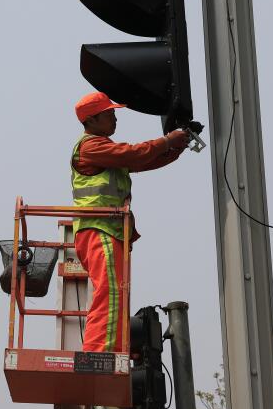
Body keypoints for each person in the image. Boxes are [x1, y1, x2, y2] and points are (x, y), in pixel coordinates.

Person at [71, 91, 191, 352]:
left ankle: (107, 350)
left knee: (116, 292)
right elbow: (133, 154)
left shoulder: (106, 152)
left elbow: (141, 160)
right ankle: (98, 353)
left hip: (108, 229)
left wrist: (175, 148)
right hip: (98, 227)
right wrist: (167, 141)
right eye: (110, 114)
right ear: (91, 121)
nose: (115, 118)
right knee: (111, 292)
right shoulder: (91, 146)